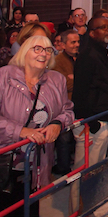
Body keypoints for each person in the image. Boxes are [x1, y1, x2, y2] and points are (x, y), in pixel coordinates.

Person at [0, 35, 74, 216]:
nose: (44, 54)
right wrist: (20, 131)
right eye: (38, 49)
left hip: (37, 166)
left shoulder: (56, 80)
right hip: (6, 164)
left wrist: (58, 123)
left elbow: (68, 111)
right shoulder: (4, 76)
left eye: (48, 50)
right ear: (24, 52)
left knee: (30, 210)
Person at [69, 16, 108, 214]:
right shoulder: (88, 56)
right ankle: (78, 211)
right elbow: (79, 93)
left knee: (96, 171)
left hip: (104, 120)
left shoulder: (103, 53)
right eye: (102, 27)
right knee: (83, 172)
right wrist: (91, 122)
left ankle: (92, 207)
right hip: (91, 125)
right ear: (92, 32)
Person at [52, 30, 80, 175]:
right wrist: (76, 79)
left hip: (80, 103)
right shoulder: (57, 61)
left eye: (78, 42)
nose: (76, 45)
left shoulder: (81, 58)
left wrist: (74, 78)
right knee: (64, 138)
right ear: (63, 45)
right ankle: (63, 168)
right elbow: (62, 84)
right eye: (73, 42)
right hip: (64, 105)